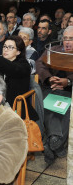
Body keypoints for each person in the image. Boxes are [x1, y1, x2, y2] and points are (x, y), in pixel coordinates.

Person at [36, 26, 73, 164]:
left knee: (66, 106)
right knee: (50, 103)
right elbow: (39, 63)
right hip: (50, 87)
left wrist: (67, 81)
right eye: (65, 39)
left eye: (71, 39)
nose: (68, 42)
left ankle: (51, 143)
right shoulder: (53, 49)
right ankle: (56, 142)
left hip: (70, 91)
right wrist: (49, 78)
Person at [0, 35, 31, 106]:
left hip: (16, 105)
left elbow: (12, 69)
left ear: (18, 52)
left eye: (10, 47)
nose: (6, 49)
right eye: (5, 46)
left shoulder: (24, 65)